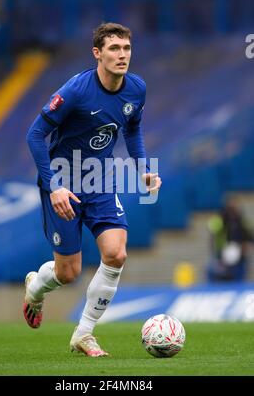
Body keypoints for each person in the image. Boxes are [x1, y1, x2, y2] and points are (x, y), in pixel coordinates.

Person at [24, 22, 162, 357]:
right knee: (67, 272)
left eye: (127, 48)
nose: (122, 55)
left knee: (116, 253)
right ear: (97, 54)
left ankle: (83, 334)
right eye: (114, 49)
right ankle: (35, 290)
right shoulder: (76, 91)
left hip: (100, 180)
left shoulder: (136, 88)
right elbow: (34, 135)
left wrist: (143, 166)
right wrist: (54, 186)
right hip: (63, 181)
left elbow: (132, 128)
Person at [207, 199, 253, 282]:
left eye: (235, 206)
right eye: (231, 206)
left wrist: (246, 245)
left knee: (239, 277)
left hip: (240, 256)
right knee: (217, 275)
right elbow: (212, 228)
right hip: (222, 255)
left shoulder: (242, 221)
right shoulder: (221, 219)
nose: (233, 207)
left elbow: (250, 235)